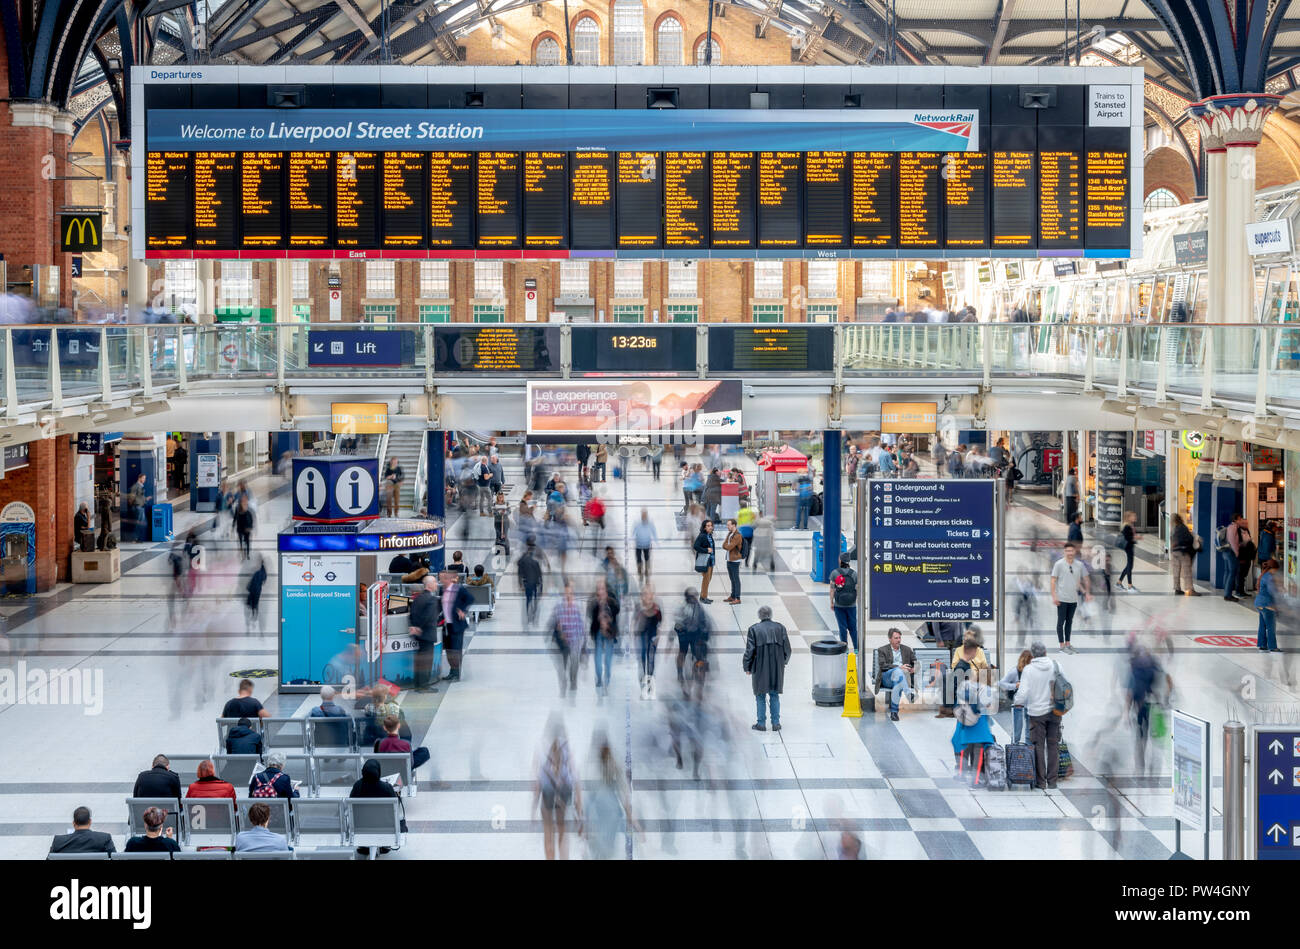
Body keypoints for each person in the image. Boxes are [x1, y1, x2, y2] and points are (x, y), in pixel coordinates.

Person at [1015, 642, 1061, 790]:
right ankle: (1053, 781)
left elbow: (1022, 693)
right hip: (1054, 711)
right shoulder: (1056, 665)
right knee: (1053, 745)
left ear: (1033, 654)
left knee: (1038, 746)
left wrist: (1017, 703)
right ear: (1046, 651)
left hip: (1036, 713)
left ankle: (1041, 782)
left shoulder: (1029, 670)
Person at [534, 720, 581, 860]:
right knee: (562, 831)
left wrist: (533, 806)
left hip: (547, 794)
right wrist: (579, 805)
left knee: (548, 833)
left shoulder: (541, 748)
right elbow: (575, 775)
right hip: (564, 793)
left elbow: (536, 780)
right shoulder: (567, 747)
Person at [584, 738, 637, 859]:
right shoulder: (610, 767)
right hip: (609, 812)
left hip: (604, 812)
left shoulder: (599, 768)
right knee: (607, 845)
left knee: (603, 844)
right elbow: (623, 791)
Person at [743, 605, 792, 731]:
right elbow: (788, 649)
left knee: (760, 695)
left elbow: (750, 651)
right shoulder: (780, 628)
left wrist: (747, 666)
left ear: (759, 616)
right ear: (771, 615)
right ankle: (776, 723)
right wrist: (783, 662)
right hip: (777, 667)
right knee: (774, 694)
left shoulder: (754, 629)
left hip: (759, 667)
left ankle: (761, 723)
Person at [951, 668, 996, 782]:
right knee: (978, 752)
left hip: (965, 724)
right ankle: (975, 780)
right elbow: (988, 708)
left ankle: (961, 775)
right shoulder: (988, 690)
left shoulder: (965, 685)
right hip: (980, 725)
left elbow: (957, 701)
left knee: (964, 749)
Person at [349, 758, 400, 856]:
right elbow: (395, 810)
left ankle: (364, 845)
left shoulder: (357, 786)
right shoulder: (387, 787)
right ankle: (384, 845)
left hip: (360, 828)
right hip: (385, 827)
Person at [1050, 542, 1090, 654]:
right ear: (1064, 552)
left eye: (1071, 550)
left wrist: (1086, 593)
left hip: (1073, 599)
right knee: (1060, 622)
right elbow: (1053, 580)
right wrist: (1054, 596)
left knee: (1069, 622)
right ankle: (1062, 646)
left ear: (1074, 551)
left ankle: (1068, 643)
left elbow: (1083, 579)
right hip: (1061, 599)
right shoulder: (1059, 564)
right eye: (1067, 551)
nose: (1069, 553)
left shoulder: (1079, 565)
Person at [550, 580, 586, 695]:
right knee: (564, 663)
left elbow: (582, 623)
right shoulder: (559, 606)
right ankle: (564, 682)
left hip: (575, 639)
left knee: (574, 662)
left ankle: (573, 680)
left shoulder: (578, 606)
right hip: (563, 640)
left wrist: (583, 639)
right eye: (566, 593)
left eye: (570, 593)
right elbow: (554, 622)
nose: (568, 595)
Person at [875, 627, 917, 722]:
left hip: (900, 679)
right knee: (898, 671)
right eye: (896, 638)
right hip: (887, 678)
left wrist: (914, 668)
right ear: (890, 639)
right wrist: (899, 667)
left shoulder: (906, 649)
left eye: (899, 638)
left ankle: (894, 713)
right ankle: (908, 693)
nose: (898, 640)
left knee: (898, 683)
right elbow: (882, 666)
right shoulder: (882, 650)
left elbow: (915, 662)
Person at [588, 578, 621, 694]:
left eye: (602, 589)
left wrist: (608, 619)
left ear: (606, 590)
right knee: (597, 656)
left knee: (607, 658)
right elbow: (590, 615)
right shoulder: (593, 602)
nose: (600, 591)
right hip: (597, 632)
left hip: (609, 633)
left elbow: (617, 610)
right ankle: (599, 677)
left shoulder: (612, 602)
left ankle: (607, 677)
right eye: (598, 589)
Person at [410, 575, 441, 692]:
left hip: (419, 636)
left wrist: (413, 626)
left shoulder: (418, 598)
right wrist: (419, 627)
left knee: (420, 660)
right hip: (427, 634)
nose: (436, 584)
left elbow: (412, 614)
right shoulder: (432, 599)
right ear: (429, 585)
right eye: (435, 582)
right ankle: (424, 686)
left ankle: (418, 684)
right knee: (426, 662)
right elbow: (428, 616)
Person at [674, 587, 710, 689]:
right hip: (684, 634)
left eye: (695, 596)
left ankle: (697, 673)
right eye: (692, 596)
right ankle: (680, 672)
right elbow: (677, 622)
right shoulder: (682, 607)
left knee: (698, 654)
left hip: (695, 634)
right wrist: (680, 631)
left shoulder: (699, 607)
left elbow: (703, 621)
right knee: (682, 653)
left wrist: (704, 633)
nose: (695, 598)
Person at [440, 570, 472, 682]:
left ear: (448, 579)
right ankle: (452, 671)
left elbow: (470, 598)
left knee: (456, 649)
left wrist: (463, 610)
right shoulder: (442, 589)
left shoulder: (459, 589)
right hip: (446, 625)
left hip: (457, 625)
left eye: (443, 578)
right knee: (449, 649)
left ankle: (457, 673)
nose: (441, 580)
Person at [998, 650, 1034, 744]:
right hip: (1018, 705)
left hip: (1031, 704)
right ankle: (1014, 749)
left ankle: (1028, 752)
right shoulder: (1015, 672)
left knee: (1029, 730)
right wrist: (1015, 686)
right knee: (1017, 730)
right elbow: (1001, 684)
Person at [634, 585, 663, 695]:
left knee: (651, 660)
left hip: (652, 637)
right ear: (642, 596)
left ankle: (650, 681)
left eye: (650, 593)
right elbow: (634, 622)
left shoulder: (657, 608)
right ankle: (643, 682)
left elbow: (660, 624)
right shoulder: (639, 608)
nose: (647, 596)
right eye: (645, 593)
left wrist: (658, 637)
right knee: (642, 660)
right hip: (641, 637)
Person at [50, 807, 116, 854]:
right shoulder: (104, 839)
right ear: (90, 822)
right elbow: (115, 858)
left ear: (74, 823)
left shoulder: (58, 841)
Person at [828, 554, 859, 650]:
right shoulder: (854, 574)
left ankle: (845, 649)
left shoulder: (835, 573)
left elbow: (832, 589)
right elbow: (857, 588)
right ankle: (856, 649)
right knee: (853, 628)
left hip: (839, 605)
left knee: (842, 628)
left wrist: (831, 602)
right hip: (852, 605)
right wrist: (854, 600)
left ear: (840, 560)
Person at [1218, 513, 1246, 602]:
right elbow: (1232, 541)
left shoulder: (1230, 527)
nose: (1241, 520)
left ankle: (1226, 591)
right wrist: (1236, 552)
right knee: (1232, 573)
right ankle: (1228, 595)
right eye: (1240, 518)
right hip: (1231, 552)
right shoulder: (1233, 528)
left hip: (1226, 552)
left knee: (1228, 572)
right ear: (1236, 520)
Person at [1170, 512, 1199, 596]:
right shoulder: (1182, 527)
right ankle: (1190, 590)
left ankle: (1177, 589)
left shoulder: (1173, 529)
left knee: (1176, 571)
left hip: (1174, 552)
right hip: (1183, 552)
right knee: (1187, 571)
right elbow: (1189, 539)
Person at [518, 540, 544, 629]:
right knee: (534, 600)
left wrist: (520, 583)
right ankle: (532, 616)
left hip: (528, 583)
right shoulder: (535, 561)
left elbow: (520, 572)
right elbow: (540, 575)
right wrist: (541, 587)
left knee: (528, 599)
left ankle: (529, 616)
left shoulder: (524, 559)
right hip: (534, 583)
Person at [1256, 558, 1281, 652]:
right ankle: (1272, 646)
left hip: (1259, 603)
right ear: (1273, 568)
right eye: (1276, 570)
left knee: (1262, 625)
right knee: (1271, 626)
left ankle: (1262, 644)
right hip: (1267, 604)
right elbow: (1272, 591)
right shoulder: (1270, 577)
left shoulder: (1263, 575)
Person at [693, 519, 716, 604]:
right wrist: (706, 550)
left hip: (711, 561)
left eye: (711, 525)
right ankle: (703, 597)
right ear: (704, 527)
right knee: (706, 580)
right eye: (708, 526)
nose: (710, 527)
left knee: (708, 579)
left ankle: (703, 596)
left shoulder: (709, 535)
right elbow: (695, 546)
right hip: (706, 562)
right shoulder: (702, 536)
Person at [633, 508, 658, 583]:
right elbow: (633, 532)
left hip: (647, 544)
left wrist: (657, 543)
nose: (644, 516)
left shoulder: (650, 523)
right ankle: (640, 572)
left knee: (647, 558)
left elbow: (654, 532)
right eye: (643, 514)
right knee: (639, 559)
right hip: (638, 545)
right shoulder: (637, 523)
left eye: (645, 514)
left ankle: (647, 571)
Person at [722, 518, 743, 604]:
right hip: (729, 559)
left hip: (735, 560)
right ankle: (733, 595)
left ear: (734, 525)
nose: (727, 526)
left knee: (736, 579)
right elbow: (724, 545)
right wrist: (727, 545)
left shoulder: (737, 535)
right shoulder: (730, 534)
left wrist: (727, 545)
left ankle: (737, 598)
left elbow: (729, 547)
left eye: (728, 525)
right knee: (732, 579)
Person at [246, 554, 267, 634]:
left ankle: (254, 616)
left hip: (256, 587)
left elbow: (263, 578)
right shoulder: (260, 569)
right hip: (255, 587)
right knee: (254, 602)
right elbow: (264, 578)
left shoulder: (260, 569)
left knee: (254, 602)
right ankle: (254, 616)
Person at [1117, 510, 1138, 591]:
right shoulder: (1126, 526)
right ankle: (1130, 585)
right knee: (1129, 566)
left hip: (1130, 546)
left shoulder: (1129, 525)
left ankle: (1119, 582)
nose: (1135, 517)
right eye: (1133, 516)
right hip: (1128, 547)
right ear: (1129, 518)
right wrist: (1135, 538)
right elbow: (1127, 537)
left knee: (1129, 566)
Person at [127, 472, 151, 542]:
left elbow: (139, 497)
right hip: (137, 507)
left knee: (141, 523)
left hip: (140, 507)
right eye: (143, 478)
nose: (144, 480)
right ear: (139, 478)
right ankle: (135, 538)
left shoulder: (140, 486)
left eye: (145, 478)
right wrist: (134, 505)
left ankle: (138, 538)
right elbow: (131, 497)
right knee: (139, 523)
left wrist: (146, 499)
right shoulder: (136, 486)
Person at [1236, 523, 1257, 597]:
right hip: (1242, 557)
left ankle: (1242, 591)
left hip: (1248, 557)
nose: (1247, 524)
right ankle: (1238, 591)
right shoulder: (1238, 532)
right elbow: (1238, 546)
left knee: (1244, 575)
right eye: (1245, 523)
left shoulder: (1247, 531)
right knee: (1240, 575)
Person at [234, 496, 255, 561]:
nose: (244, 502)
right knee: (241, 543)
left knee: (247, 542)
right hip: (240, 528)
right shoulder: (237, 509)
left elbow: (252, 519)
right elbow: (235, 518)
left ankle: (247, 555)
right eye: (243, 501)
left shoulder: (249, 510)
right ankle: (242, 555)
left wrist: (250, 527)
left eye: (245, 500)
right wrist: (233, 526)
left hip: (247, 529)